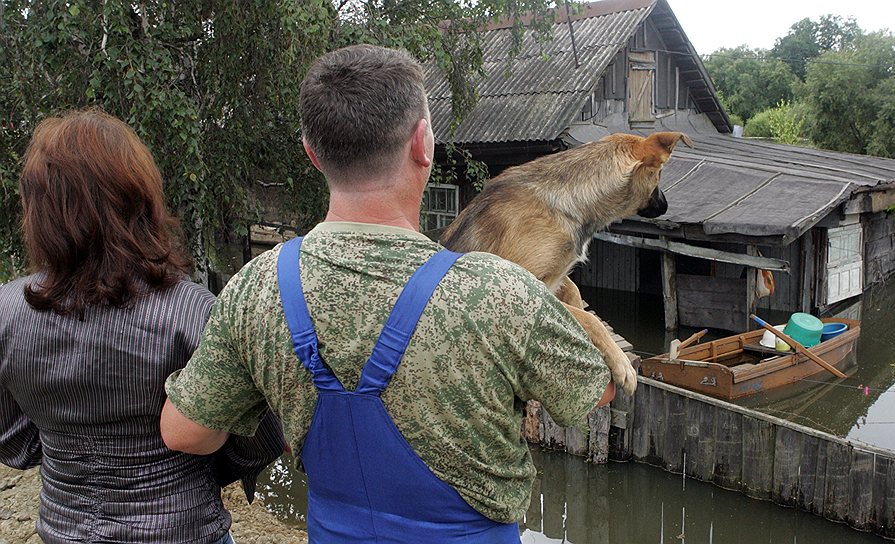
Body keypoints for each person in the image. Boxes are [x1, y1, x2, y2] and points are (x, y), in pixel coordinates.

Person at [161, 44, 614, 543]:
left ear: (312, 154)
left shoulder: (256, 288)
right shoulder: (500, 290)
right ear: (423, 144)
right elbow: (599, 391)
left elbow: (186, 433)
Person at [0, 109, 282, 544]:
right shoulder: (192, 312)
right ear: (139, 200)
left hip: (62, 529)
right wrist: (194, 472)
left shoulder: (6, 311)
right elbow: (256, 442)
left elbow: (12, 439)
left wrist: (69, 452)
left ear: (38, 209)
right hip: (183, 530)